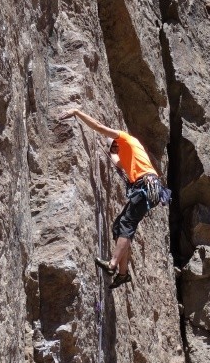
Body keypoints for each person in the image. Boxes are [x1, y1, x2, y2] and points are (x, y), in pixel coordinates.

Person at [60, 108, 168, 289]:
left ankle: (112, 265)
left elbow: (99, 127)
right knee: (119, 226)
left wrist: (77, 112)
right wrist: (107, 150)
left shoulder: (126, 138)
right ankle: (123, 274)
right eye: (113, 147)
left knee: (127, 224)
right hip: (147, 187)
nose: (115, 148)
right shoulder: (126, 156)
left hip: (146, 185)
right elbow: (115, 160)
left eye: (114, 145)